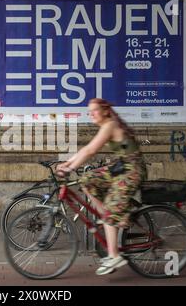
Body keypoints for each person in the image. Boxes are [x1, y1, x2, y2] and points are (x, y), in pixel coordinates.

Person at [56, 98, 146, 275]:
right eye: (89, 111)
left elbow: (90, 151)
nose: (91, 114)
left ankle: (114, 256)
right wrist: (67, 163)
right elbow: (86, 149)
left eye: (95, 110)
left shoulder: (110, 125)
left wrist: (70, 168)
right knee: (87, 179)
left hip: (131, 171)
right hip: (121, 167)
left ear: (105, 111)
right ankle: (106, 214)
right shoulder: (107, 125)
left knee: (110, 212)